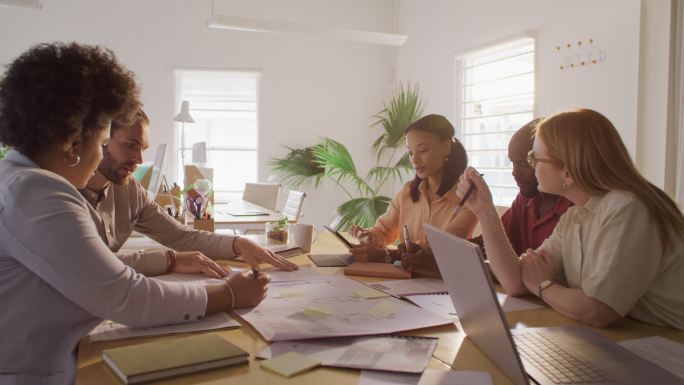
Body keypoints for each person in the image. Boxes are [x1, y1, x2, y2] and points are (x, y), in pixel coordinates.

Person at [0, 42, 270, 385]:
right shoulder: (38, 192)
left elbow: (98, 275)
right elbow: (127, 297)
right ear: (72, 140)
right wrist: (229, 294)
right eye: (101, 143)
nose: (99, 156)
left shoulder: (24, 181)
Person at [457, 109, 684, 329]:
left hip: (672, 345)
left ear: (567, 169)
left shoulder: (628, 208)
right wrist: (484, 210)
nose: (531, 166)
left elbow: (598, 310)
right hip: (639, 334)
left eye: (534, 158)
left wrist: (543, 286)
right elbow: (515, 282)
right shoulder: (575, 216)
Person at [80, 110, 298, 278]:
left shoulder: (131, 191)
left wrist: (238, 244)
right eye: (130, 145)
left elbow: (181, 236)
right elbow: (90, 265)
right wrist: (170, 260)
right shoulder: (64, 195)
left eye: (142, 149)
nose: (138, 159)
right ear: (100, 140)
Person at [350, 114, 478, 277]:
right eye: (410, 152)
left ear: (446, 147)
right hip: (404, 283)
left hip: (443, 289)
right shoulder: (408, 192)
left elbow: (439, 251)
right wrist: (369, 237)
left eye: (422, 150)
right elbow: (383, 232)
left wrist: (386, 256)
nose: (414, 159)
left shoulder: (469, 199)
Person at [470, 118, 573, 256]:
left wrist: (486, 210)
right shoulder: (525, 200)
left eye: (525, 164)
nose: (514, 172)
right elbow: (488, 243)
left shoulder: (575, 210)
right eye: (512, 163)